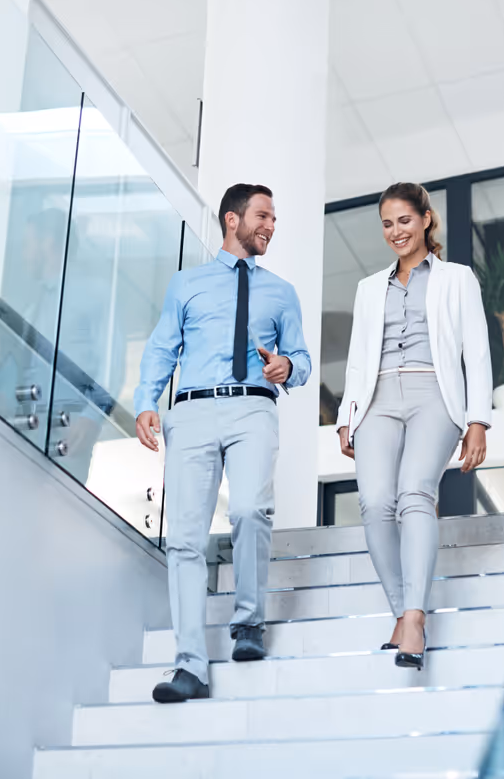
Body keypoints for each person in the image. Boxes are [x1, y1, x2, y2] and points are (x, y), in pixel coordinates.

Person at [134, 183, 311, 702]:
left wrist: (288, 366)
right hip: (190, 412)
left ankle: (248, 622)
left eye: (274, 218)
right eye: (263, 216)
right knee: (185, 540)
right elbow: (162, 347)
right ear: (232, 220)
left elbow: (298, 359)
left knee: (252, 510)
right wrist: (147, 401)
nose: (271, 226)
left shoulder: (281, 292)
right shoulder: (186, 285)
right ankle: (190, 666)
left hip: (253, 405)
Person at [335, 182, 492, 670]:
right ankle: (401, 613)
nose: (395, 231)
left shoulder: (457, 278)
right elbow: (358, 359)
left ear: (426, 219)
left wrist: (478, 420)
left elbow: (477, 351)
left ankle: (416, 618)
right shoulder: (367, 288)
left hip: (434, 395)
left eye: (404, 220)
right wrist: (346, 414)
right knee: (374, 501)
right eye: (386, 223)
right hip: (377, 398)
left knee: (414, 492)